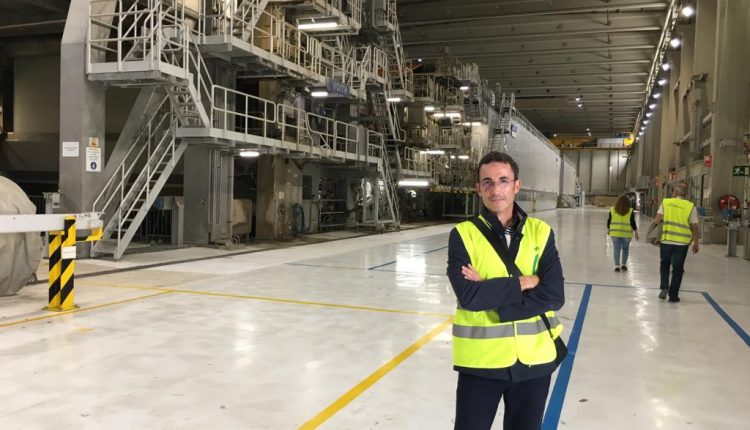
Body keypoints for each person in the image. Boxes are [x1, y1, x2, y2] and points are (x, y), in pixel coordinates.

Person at [446, 151, 565, 430]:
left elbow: (554, 295)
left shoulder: (541, 232)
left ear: (516, 185)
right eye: (487, 182)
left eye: (503, 180)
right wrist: (524, 282)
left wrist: (492, 294)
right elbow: (469, 296)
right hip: (481, 362)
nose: (495, 189)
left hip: (535, 361)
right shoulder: (463, 235)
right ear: (478, 188)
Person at [648, 182, 699, 302]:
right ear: (686, 194)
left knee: (665, 265)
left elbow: (657, 219)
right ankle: (673, 296)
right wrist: (696, 242)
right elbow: (694, 226)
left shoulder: (666, 202)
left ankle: (664, 287)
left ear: (675, 192)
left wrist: (649, 233)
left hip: (666, 241)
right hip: (682, 243)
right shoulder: (690, 206)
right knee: (678, 269)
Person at [607, 194, 640, 272]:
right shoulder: (630, 211)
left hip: (615, 233)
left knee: (616, 249)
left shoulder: (612, 210)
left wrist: (609, 229)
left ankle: (617, 266)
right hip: (626, 234)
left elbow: (609, 221)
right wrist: (636, 232)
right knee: (625, 249)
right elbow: (632, 222)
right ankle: (624, 265)